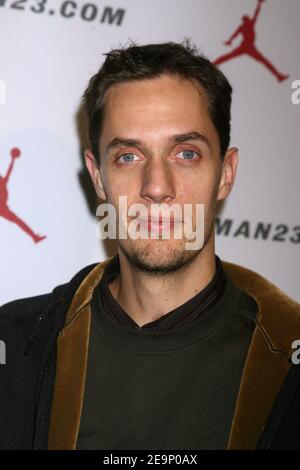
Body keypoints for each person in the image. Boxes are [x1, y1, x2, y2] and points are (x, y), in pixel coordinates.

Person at [0, 40, 299, 451]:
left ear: (226, 173)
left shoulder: (289, 354)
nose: (157, 187)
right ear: (98, 176)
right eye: (128, 157)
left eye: (186, 153)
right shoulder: (15, 345)